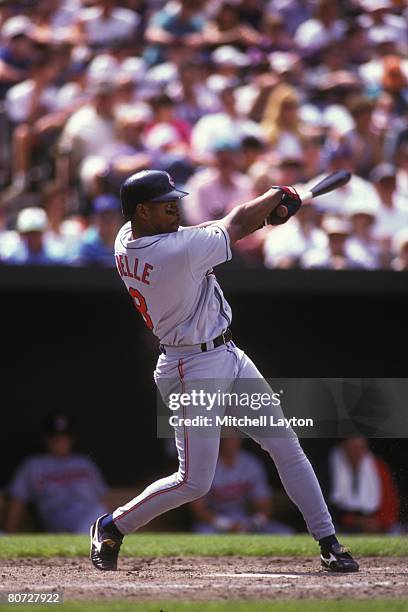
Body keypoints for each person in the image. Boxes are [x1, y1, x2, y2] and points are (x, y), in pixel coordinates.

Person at [89, 168, 359, 573]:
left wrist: (267, 212)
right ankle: (112, 524)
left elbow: (219, 227)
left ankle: (328, 541)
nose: (176, 210)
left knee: (286, 445)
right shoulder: (173, 252)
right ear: (142, 211)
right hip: (191, 366)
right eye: (167, 206)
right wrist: (276, 196)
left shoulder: (127, 238)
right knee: (194, 481)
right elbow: (233, 223)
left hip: (227, 354)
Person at [5, 413, 107, 533]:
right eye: (55, 438)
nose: (60, 442)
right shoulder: (34, 464)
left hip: (90, 511)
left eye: (64, 437)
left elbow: (104, 498)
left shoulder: (84, 463)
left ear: (71, 439)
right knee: (98, 516)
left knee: (100, 512)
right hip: (59, 515)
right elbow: (17, 499)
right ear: (46, 439)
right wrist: (9, 533)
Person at [191, 436, 293, 534]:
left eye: (232, 438)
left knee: (285, 532)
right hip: (215, 523)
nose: (229, 442)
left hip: (245, 521)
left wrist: (254, 522)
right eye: (225, 438)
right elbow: (198, 509)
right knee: (203, 534)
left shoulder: (251, 464)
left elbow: (264, 504)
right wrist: (226, 525)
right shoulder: (205, 464)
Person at [326, 437, 400, 534]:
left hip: (376, 523)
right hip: (340, 523)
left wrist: (380, 523)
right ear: (343, 449)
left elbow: (390, 501)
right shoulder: (330, 468)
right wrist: (354, 521)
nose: (355, 453)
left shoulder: (379, 468)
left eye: (359, 448)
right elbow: (326, 502)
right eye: (351, 448)